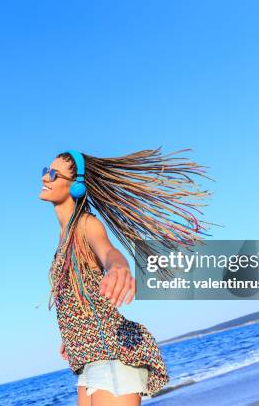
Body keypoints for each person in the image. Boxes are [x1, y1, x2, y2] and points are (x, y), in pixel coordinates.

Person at [39, 148, 212, 405]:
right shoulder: (63, 237)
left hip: (113, 356)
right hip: (88, 359)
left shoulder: (86, 224)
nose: (45, 178)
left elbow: (108, 251)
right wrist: (71, 333)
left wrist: (118, 267)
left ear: (75, 186)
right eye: (45, 171)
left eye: (53, 174)